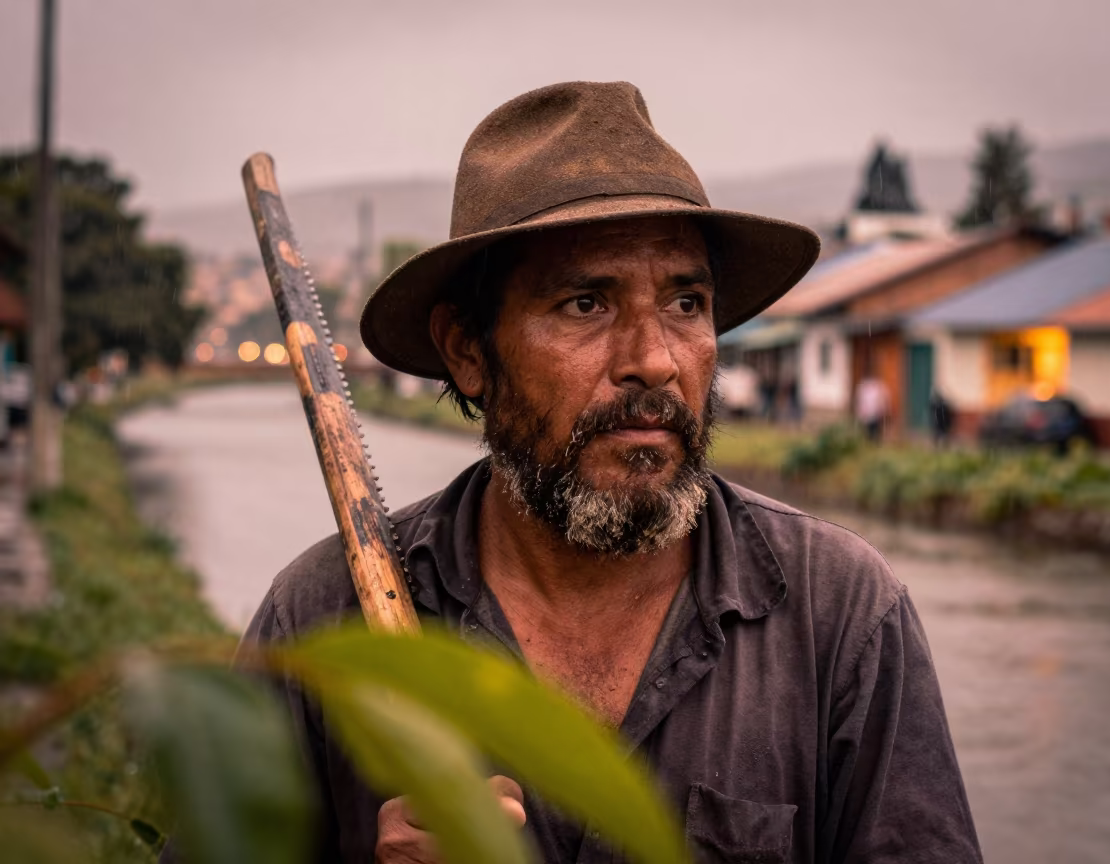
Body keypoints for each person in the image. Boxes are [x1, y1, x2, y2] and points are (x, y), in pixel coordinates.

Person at [243, 82, 982, 863]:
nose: (655, 361)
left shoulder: (842, 618)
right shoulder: (323, 622)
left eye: (686, 302)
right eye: (586, 304)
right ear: (468, 351)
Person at [854, 373, 890, 443]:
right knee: (867, 431)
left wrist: (883, 409)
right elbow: (859, 400)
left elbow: (883, 399)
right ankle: (869, 442)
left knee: (875, 431)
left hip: (875, 413)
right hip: (866, 413)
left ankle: (874, 443)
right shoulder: (863, 386)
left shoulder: (878, 386)